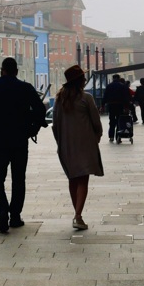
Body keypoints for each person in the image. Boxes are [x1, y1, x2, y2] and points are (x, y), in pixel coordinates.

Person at [0, 57, 47, 233]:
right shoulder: (25, 88)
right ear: (16, 71)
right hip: (19, 140)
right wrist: (33, 129)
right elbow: (40, 111)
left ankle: (2, 210)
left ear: (2, 71)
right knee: (18, 178)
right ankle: (15, 216)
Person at [51, 65, 104, 230]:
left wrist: (60, 143)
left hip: (66, 145)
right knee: (83, 179)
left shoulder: (59, 100)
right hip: (85, 143)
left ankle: (77, 214)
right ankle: (78, 215)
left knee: (73, 179)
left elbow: (55, 126)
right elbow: (96, 122)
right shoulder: (86, 98)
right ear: (80, 81)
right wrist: (98, 135)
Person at [102, 75, 131, 142]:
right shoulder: (123, 86)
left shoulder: (109, 86)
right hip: (119, 105)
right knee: (119, 121)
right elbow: (126, 97)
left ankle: (111, 136)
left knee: (111, 121)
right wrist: (127, 107)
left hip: (111, 105)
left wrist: (102, 105)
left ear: (113, 78)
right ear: (119, 78)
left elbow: (105, 96)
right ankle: (118, 136)